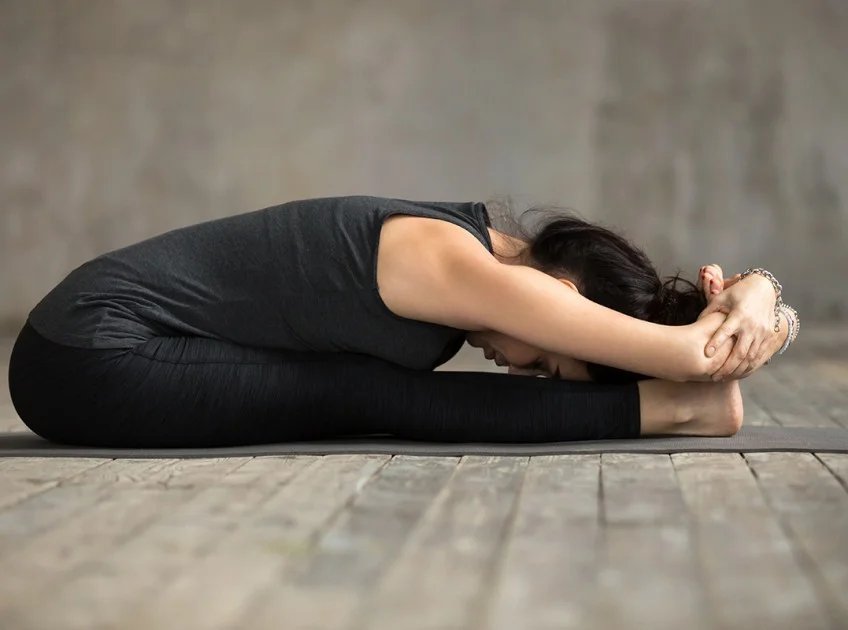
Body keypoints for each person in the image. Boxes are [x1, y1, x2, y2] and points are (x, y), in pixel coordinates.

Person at [7, 195, 799, 447]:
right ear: (561, 295)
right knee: (372, 397)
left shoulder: (472, 249)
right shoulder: (456, 264)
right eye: (548, 363)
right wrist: (758, 297)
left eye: (545, 376)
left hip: (100, 347)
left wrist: (760, 293)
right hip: (84, 358)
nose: (522, 373)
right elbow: (693, 351)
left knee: (366, 389)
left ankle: (673, 409)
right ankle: (668, 411)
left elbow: (695, 345)